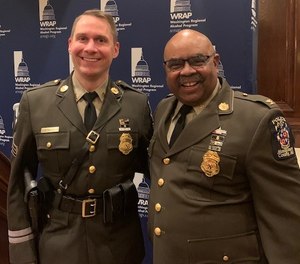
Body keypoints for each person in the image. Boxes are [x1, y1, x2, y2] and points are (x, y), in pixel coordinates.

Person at [7, 9, 153, 264]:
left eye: (101, 40)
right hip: (58, 241)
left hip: (118, 244)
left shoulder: (136, 105)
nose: (90, 48)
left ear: (116, 49)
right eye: (82, 38)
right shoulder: (36, 102)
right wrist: (22, 253)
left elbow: (158, 174)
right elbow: (18, 182)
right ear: (69, 44)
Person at [148, 29, 300, 264]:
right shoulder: (163, 110)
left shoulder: (257, 119)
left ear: (216, 62)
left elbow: (286, 217)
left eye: (197, 60)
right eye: (176, 64)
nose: (187, 71)